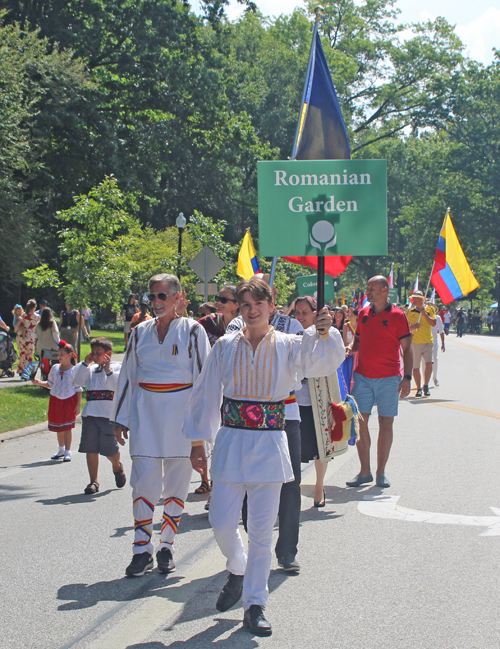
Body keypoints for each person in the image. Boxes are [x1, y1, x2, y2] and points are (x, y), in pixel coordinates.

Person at [183, 277, 344, 636]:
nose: (252, 310)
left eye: (259, 303)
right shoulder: (224, 346)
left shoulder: (290, 344)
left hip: (270, 443)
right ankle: (237, 567)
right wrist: (198, 441)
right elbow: (206, 394)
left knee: (260, 531)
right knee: (221, 521)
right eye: (245, 305)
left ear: (272, 306)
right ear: (238, 309)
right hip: (231, 442)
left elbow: (322, 363)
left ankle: (255, 604)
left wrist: (324, 332)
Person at [110, 273, 211, 578]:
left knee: (176, 485)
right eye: (151, 297)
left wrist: (198, 437)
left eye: (161, 296)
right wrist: (121, 417)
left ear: (179, 298)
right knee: (144, 484)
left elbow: (203, 383)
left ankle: (166, 545)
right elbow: (127, 375)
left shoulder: (194, 332)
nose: (155, 303)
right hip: (146, 417)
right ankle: (142, 548)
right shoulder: (139, 332)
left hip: (181, 421)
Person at [226, 273, 305, 574]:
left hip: (285, 414)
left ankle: (286, 549)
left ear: (271, 297)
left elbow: (304, 362)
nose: (253, 307)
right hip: (246, 419)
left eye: (261, 297)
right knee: (247, 482)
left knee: (289, 483)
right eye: (248, 300)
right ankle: (254, 544)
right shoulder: (238, 324)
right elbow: (233, 344)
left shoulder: (292, 327)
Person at [346, 276, 413, 489]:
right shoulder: (363, 314)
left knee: (386, 423)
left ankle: (380, 472)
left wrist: (407, 378)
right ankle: (364, 471)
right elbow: (358, 341)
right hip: (363, 376)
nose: (368, 292)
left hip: (389, 378)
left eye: (372, 288)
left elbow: (408, 350)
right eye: (367, 288)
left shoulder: (398, 316)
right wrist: (349, 348)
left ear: (385, 290)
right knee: (360, 422)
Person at [195, 285, 239, 496]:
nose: (219, 302)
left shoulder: (245, 327)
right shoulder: (207, 324)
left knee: (226, 442)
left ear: (236, 304)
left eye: (224, 299)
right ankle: (208, 482)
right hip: (211, 387)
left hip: (234, 391)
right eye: (218, 298)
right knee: (208, 436)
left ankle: (224, 490)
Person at [73, 337, 126, 495]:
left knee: (110, 450)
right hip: (90, 414)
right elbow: (77, 381)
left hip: (108, 415)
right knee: (91, 448)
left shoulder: (117, 367)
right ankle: (93, 481)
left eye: (98, 353)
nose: (95, 356)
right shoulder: (89, 368)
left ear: (108, 353)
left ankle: (117, 466)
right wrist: (85, 363)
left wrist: (108, 369)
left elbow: (115, 386)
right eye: (93, 352)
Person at [294, 296, 328, 507]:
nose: (300, 316)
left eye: (305, 312)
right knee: (294, 448)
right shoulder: (289, 334)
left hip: (317, 398)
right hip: (294, 401)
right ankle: (291, 488)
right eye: (297, 312)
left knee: (320, 446)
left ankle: (319, 486)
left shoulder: (325, 335)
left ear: (315, 314)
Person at [32, 340, 82, 462]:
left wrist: (78, 405)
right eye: (58, 354)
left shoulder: (74, 370)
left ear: (69, 355)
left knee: (66, 427)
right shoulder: (54, 368)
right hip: (56, 400)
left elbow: (78, 389)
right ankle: (61, 449)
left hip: (69, 400)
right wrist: (39, 383)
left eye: (61, 354)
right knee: (58, 426)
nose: (59, 357)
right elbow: (50, 384)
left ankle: (67, 451)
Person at [406, 290, 436, 397]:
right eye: (413, 298)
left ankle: (426, 385)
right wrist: (413, 327)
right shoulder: (410, 311)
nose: (413, 300)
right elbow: (405, 327)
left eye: (415, 298)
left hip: (428, 341)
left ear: (421, 299)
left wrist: (423, 312)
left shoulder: (430, 309)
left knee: (429, 363)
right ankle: (418, 388)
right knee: (416, 367)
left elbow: (433, 323)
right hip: (415, 342)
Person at [14, 299, 39, 377]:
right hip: (31, 336)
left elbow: (18, 324)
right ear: (35, 307)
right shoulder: (37, 317)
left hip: (22, 335)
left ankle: (21, 370)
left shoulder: (23, 315)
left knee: (22, 354)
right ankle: (28, 372)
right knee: (29, 354)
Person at [431, 308, 445, 386]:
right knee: (424, 362)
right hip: (424, 342)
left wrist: (443, 343)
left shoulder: (437, 318)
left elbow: (441, 331)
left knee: (435, 360)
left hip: (434, 343)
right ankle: (424, 383)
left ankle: (435, 377)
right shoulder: (421, 316)